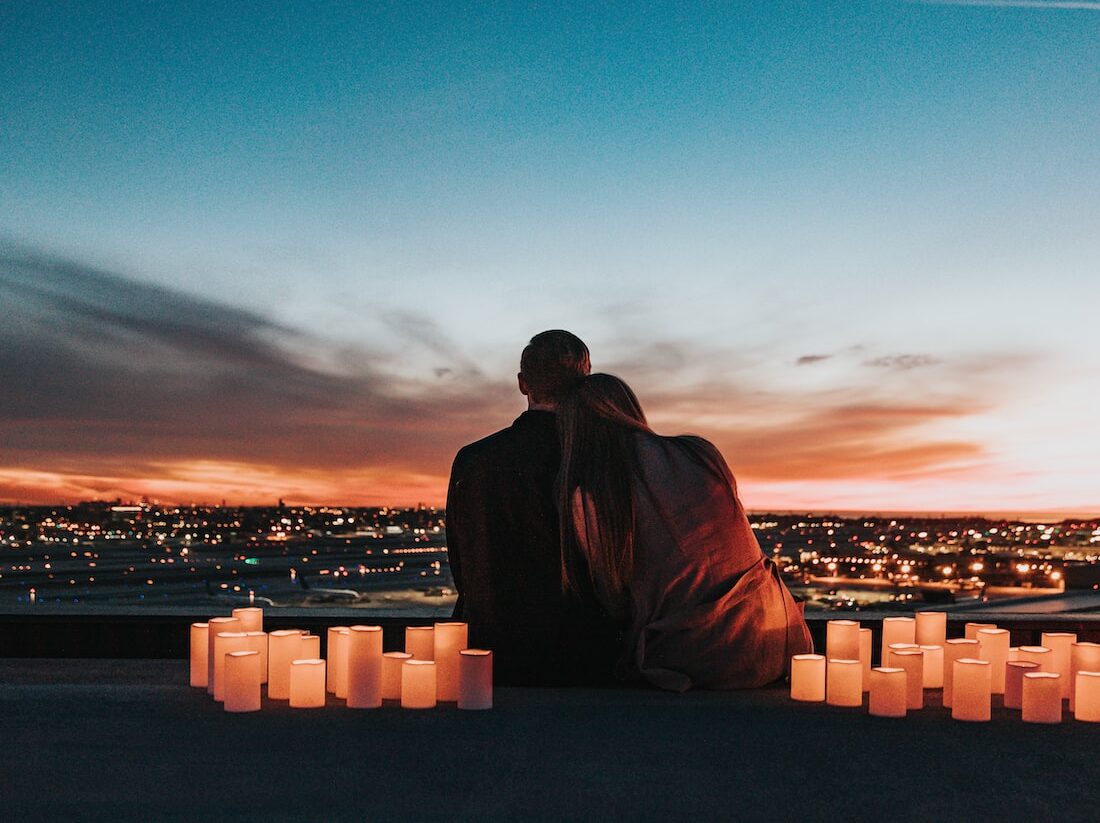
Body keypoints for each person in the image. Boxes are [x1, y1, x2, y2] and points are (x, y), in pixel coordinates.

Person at [557, 373, 812, 691]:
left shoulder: (594, 495)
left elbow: (614, 598)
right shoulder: (700, 452)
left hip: (698, 658)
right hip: (780, 639)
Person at [446, 331, 618, 685]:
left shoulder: (471, 460)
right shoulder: (599, 459)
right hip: (581, 658)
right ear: (585, 382)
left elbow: (463, 568)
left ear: (523, 384)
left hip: (488, 654)